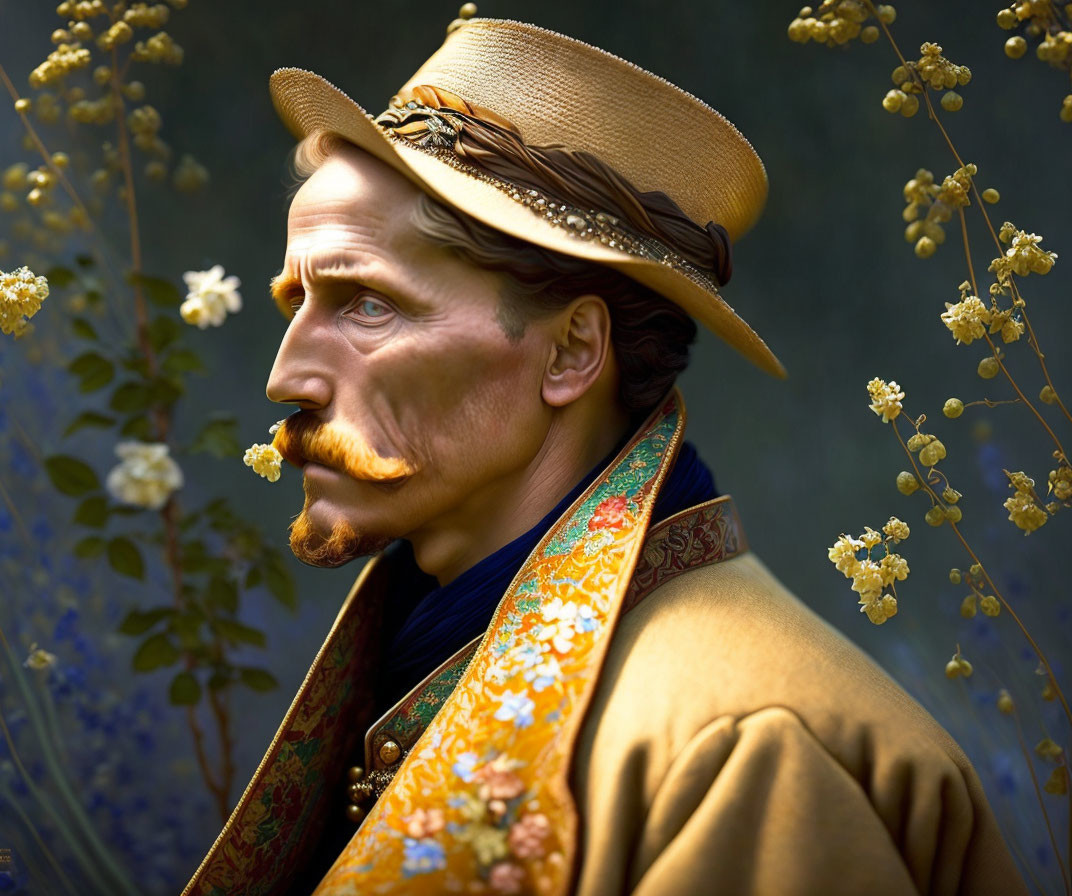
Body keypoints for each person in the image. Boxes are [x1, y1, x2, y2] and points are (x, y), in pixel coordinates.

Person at [182, 11, 1026, 896]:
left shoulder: (747, 748)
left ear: (573, 351)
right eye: (296, 304)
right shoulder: (430, 655)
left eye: (366, 307)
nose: (287, 379)